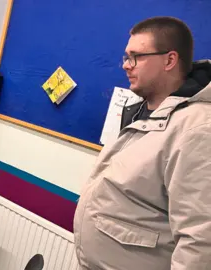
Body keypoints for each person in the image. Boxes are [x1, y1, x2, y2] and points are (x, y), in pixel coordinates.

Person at [74, 17, 211, 269]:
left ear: (170, 60)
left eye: (136, 56)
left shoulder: (197, 129)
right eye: (126, 57)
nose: (127, 66)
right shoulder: (139, 110)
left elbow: (200, 240)